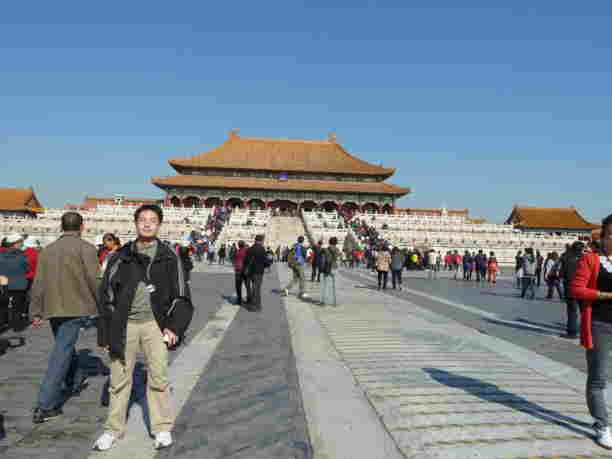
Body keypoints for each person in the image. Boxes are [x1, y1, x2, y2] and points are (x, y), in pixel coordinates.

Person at [94, 205, 193, 451]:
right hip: (123, 324)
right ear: (135, 223)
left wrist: (174, 328)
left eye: (152, 220)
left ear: (159, 225)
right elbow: (105, 295)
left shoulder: (170, 256)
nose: (147, 224)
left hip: (154, 325)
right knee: (118, 379)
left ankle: (161, 428)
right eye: (142, 220)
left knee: (158, 377)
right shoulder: (120, 256)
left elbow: (182, 296)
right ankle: (113, 429)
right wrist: (105, 332)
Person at [29, 214, 98, 424]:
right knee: (62, 351)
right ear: (82, 227)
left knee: (64, 345)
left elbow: (38, 283)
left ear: (61, 226)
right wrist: (104, 306)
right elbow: (94, 281)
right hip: (76, 308)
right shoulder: (86, 249)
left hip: (53, 308)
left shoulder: (47, 251)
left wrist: (36, 310)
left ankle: (74, 379)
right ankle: (45, 405)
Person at [570, 214, 612, 450]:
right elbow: (577, 289)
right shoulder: (591, 260)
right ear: (603, 236)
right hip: (599, 325)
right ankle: (602, 424)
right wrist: (605, 295)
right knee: (598, 378)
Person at [0, 233, 30, 331]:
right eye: (20, 242)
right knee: (17, 306)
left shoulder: (2, 255)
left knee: (3, 305)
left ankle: (3, 323)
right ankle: (16, 326)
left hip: (4, 283)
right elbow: (27, 269)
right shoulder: (22, 256)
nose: (22, 244)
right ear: (14, 244)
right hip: (19, 283)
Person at [560, 241, 586, 339]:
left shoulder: (566, 256)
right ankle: (586, 331)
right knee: (584, 311)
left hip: (570, 287)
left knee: (572, 311)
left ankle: (572, 332)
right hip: (583, 287)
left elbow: (561, 274)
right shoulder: (585, 257)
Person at [243, 234, 270, 311]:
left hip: (250, 272)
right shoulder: (262, 250)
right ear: (261, 241)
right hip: (258, 272)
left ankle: (252, 303)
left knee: (253, 288)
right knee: (256, 289)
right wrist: (265, 265)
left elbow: (245, 261)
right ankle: (255, 306)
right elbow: (266, 263)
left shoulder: (250, 249)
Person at [320, 237, 340, 306]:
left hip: (327, 268)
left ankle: (324, 301)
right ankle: (335, 302)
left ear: (329, 242)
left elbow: (322, 257)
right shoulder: (337, 249)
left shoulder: (326, 249)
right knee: (335, 286)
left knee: (325, 285)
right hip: (334, 267)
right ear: (336, 243)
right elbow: (337, 257)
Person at [233, 241, 249, 305]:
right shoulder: (246, 251)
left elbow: (234, 259)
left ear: (238, 245)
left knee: (238, 286)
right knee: (247, 285)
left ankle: (239, 300)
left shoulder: (237, 251)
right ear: (244, 245)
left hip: (238, 270)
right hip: (245, 270)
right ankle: (249, 299)